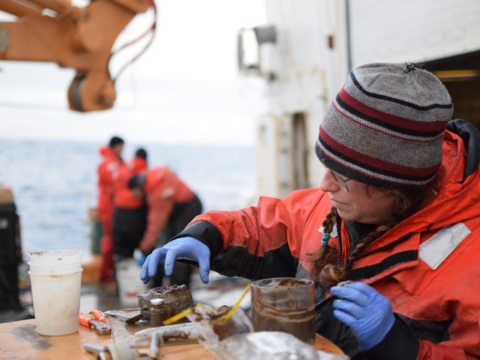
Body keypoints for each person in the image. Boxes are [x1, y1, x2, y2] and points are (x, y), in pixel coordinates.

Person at [140, 63, 480, 359]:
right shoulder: (338, 202)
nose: (323, 185)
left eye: (342, 175)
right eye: (326, 165)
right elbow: (265, 225)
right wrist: (206, 235)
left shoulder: (471, 259)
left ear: (395, 187)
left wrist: (398, 348)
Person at [128, 167, 203, 287]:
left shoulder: (158, 195)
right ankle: (179, 283)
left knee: (180, 248)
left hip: (188, 208)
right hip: (182, 204)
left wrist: (144, 248)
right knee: (174, 243)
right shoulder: (151, 175)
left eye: (137, 195)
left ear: (139, 188)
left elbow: (155, 227)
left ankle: (179, 287)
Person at [112, 148, 149, 262]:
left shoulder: (125, 165)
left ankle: (120, 273)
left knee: (121, 247)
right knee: (138, 242)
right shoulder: (142, 166)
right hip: (135, 211)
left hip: (119, 209)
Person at [97, 136, 124, 285]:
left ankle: (109, 272)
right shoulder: (109, 163)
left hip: (112, 201)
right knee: (110, 237)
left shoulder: (113, 161)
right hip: (108, 202)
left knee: (113, 237)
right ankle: (105, 275)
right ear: (117, 146)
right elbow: (116, 181)